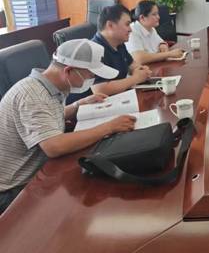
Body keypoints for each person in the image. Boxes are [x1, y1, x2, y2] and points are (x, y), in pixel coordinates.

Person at [0, 39, 136, 215]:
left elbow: (48, 118)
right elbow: (54, 146)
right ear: (69, 71)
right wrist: (109, 127)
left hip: (39, 171)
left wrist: (78, 105)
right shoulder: (33, 96)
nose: (93, 79)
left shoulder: (50, 85)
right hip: (14, 188)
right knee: (87, 202)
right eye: (90, 75)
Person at [68, 4, 152, 104]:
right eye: (127, 24)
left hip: (115, 100)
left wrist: (142, 70)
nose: (130, 29)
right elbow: (100, 89)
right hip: (90, 107)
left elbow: (131, 64)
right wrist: (135, 78)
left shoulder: (119, 43)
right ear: (110, 25)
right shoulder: (93, 50)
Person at [126, 0, 185, 64]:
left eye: (157, 14)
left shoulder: (151, 28)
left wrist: (162, 45)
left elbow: (160, 42)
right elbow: (139, 58)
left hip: (156, 65)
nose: (158, 17)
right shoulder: (132, 31)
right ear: (142, 18)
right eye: (154, 14)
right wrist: (169, 54)